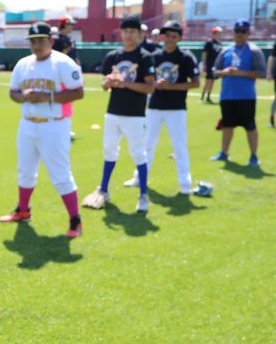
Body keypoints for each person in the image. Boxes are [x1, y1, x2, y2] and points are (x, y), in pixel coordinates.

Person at [0, 21, 85, 237]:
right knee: (25, 170)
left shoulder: (63, 63)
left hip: (54, 124)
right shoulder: (23, 64)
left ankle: (75, 220)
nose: (37, 45)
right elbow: (13, 92)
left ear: (51, 41)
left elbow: (78, 92)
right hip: (28, 123)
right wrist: (22, 97)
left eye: (41, 40)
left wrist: (48, 97)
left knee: (60, 174)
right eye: (33, 41)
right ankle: (23, 210)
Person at [82, 14, 155, 213]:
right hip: (113, 112)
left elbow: (150, 87)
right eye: (125, 31)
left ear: (139, 34)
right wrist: (107, 83)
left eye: (132, 31)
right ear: (121, 33)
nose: (128, 35)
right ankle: (103, 189)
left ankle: (143, 195)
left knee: (138, 153)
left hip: (134, 114)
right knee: (109, 150)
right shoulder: (113, 56)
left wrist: (125, 83)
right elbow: (104, 85)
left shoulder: (144, 57)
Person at [123, 21, 199, 194]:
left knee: (179, 146)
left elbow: (196, 83)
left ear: (179, 38)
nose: (170, 39)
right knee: (147, 144)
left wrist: (172, 86)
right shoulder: (154, 56)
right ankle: (139, 177)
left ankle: (185, 184)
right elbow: (147, 81)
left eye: (174, 36)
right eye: (167, 36)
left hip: (176, 108)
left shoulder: (185, 57)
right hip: (154, 107)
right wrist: (155, 85)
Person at [210, 18, 266, 166]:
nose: (239, 34)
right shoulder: (225, 51)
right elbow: (214, 72)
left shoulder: (254, 51)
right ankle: (224, 153)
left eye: (243, 31)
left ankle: (253, 156)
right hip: (227, 95)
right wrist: (225, 72)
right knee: (227, 125)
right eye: (237, 31)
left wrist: (240, 73)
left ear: (248, 33)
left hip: (246, 96)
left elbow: (261, 73)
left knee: (250, 126)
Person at [200, 26, 223, 103]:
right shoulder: (209, 43)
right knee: (208, 81)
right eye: (219, 33)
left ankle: (208, 97)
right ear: (215, 33)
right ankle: (202, 97)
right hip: (209, 65)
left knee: (212, 81)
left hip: (216, 66)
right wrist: (204, 64)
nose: (220, 34)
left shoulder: (220, 44)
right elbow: (205, 54)